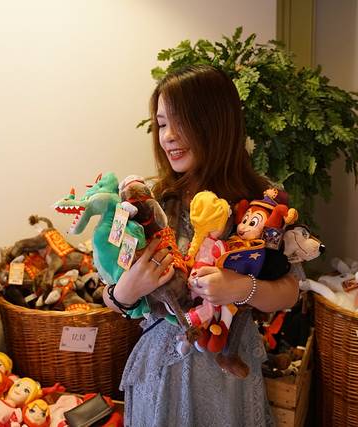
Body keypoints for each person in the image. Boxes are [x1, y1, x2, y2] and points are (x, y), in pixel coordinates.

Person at [102, 64, 299, 427]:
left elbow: (290, 290)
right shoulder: (152, 202)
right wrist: (126, 291)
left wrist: (239, 287)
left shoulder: (262, 202)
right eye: (162, 124)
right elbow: (110, 295)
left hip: (227, 373)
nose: (168, 137)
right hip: (161, 372)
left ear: (216, 122)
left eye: (180, 121)